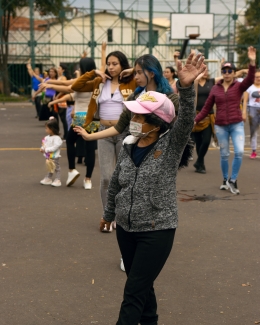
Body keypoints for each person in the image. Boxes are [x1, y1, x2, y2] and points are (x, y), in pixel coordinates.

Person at [98, 53, 206, 325]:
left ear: (157, 122)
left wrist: (185, 88)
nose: (134, 118)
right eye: (134, 112)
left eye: (141, 115)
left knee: (133, 291)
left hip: (156, 230)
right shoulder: (129, 145)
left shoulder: (170, 147)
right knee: (142, 287)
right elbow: (116, 184)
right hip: (125, 228)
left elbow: (185, 122)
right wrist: (109, 214)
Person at [71, 51, 138, 225]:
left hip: (124, 132)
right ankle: (109, 216)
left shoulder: (131, 81)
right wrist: (93, 73)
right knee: (106, 177)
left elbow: (147, 76)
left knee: (124, 176)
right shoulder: (99, 82)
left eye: (115, 63)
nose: (111, 67)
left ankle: (123, 214)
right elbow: (76, 86)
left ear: (122, 64)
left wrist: (131, 71)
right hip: (103, 132)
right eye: (109, 64)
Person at [194, 46, 256, 194]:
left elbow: (250, 79)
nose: (227, 73)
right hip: (221, 126)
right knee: (224, 154)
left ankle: (233, 180)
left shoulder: (239, 86)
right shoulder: (215, 88)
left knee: (239, 152)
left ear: (234, 73)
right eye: (224, 71)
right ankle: (224, 180)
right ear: (221, 73)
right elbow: (206, 107)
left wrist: (252, 62)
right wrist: (195, 120)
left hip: (236, 125)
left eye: (229, 71)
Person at [46, 57, 98, 190]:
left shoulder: (81, 82)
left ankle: (72, 170)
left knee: (69, 141)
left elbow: (68, 87)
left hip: (80, 117)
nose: (78, 70)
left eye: (80, 67)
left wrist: (50, 84)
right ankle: (88, 180)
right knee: (90, 148)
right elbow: (71, 95)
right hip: (92, 118)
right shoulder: (97, 82)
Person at [40, 117, 63, 187]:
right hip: (48, 156)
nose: (45, 130)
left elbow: (55, 147)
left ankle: (58, 179)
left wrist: (46, 149)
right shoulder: (46, 137)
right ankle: (49, 178)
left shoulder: (57, 138)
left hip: (54, 156)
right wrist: (42, 148)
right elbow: (44, 144)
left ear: (52, 129)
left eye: (47, 128)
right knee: (50, 167)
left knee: (56, 168)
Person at [242, 69, 260, 159]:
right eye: (256, 77)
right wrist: (244, 112)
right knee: (253, 131)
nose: (258, 78)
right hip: (253, 109)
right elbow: (244, 101)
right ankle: (253, 150)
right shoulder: (249, 87)